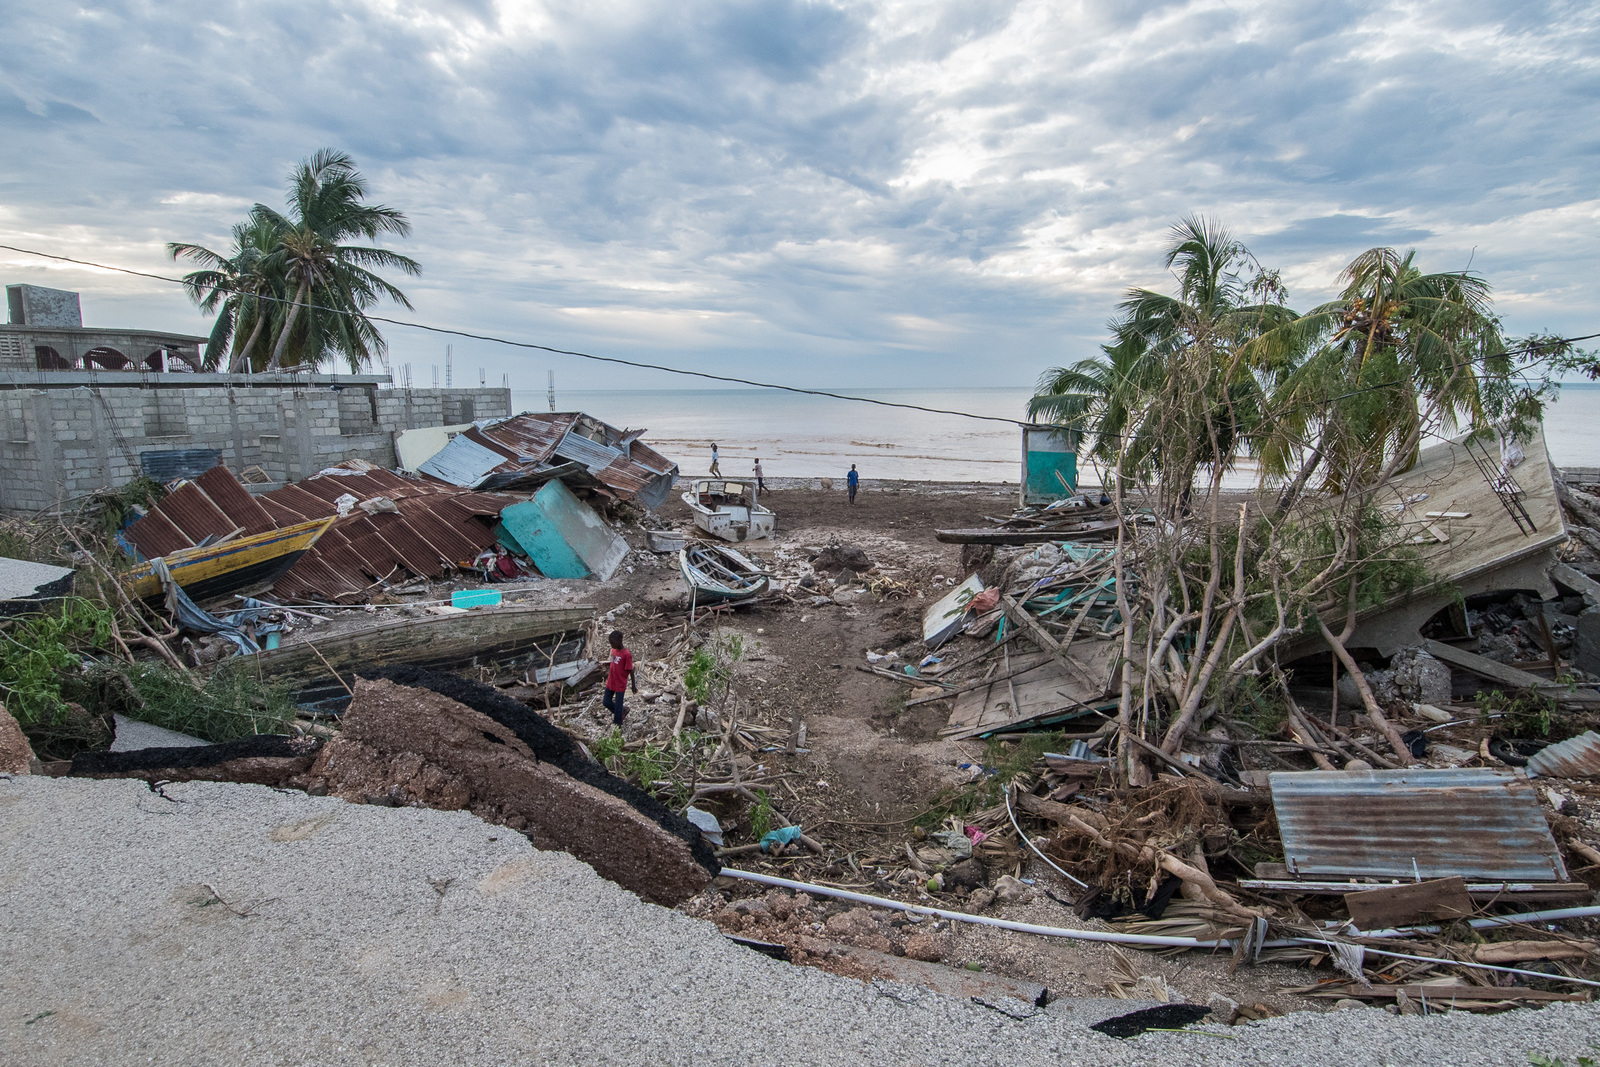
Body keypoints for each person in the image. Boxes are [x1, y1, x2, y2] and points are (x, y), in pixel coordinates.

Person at [603, 629, 638, 726]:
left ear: (619, 641)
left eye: (613, 643)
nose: (611, 645)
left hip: (620, 684)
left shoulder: (626, 655)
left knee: (618, 706)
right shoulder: (614, 650)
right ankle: (623, 711)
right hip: (611, 682)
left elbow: (631, 670)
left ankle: (617, 724)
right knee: (606, 702)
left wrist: (633, 686)